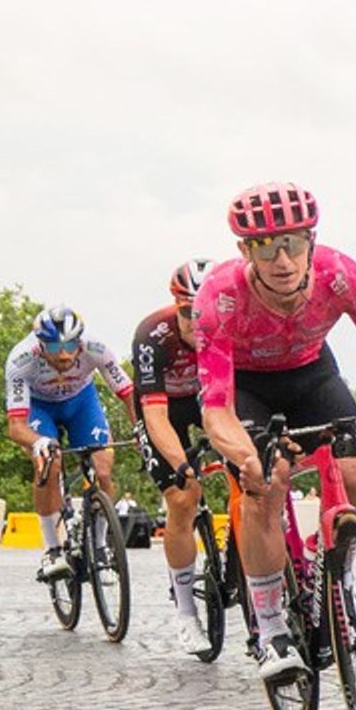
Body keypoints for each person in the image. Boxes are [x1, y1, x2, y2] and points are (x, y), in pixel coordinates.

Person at [198, 185, 356, 692]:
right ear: (246, 251)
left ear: (312, 239)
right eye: (266, 247)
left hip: (312, 375)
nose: (282, 259)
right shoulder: (218, 297)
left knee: (354, 469)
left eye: (292, 242)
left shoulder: (343, 276)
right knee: (268, 482)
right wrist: (247, 458)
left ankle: (341, 575)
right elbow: (216, 411)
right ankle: (270, 630)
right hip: (245, 388)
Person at [3, 304, 133, 584]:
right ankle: (52, 549)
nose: (63, 354)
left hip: (81, 403)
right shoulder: (21, 359)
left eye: (70, 345)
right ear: (40, 344)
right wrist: (38, 442)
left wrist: (141, 429)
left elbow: (128, 393)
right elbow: (16, 427)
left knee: (103, 468)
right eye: (53, 347)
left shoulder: (97, 349)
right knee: (49, 463)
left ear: (80, 341)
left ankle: (99, 546)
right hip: (40, 408)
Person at [130, 260, 219, 633]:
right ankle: (185, 612)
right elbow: (155, 418)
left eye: (205, 312)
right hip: (163, 408)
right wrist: (182, 466)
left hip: (208, 399)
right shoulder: (153, 333)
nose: (196, 322)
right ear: (176, 307)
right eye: (187, 312)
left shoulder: (230, 328)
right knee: (183, 497)